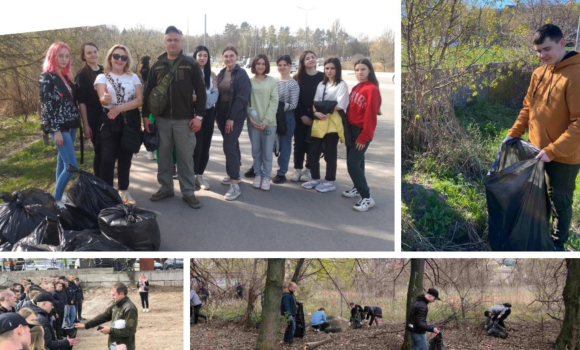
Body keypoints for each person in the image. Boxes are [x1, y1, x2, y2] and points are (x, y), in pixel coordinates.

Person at [505, 24, 580, 251]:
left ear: (561, 42)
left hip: (564, 157)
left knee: (560, 203)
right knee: (539, 201)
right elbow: (528, 108)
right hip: (534, 152)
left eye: (546, 49)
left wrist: (553, 150)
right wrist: (514, 133)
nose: (542, 56)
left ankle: (557, 244)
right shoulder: (539, 73)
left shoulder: (576, 75)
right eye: (538, 51)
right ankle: (539, 238)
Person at [142, 26, 207, 209]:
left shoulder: (190, 64)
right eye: (169, 40)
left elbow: (201, 92)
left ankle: (188, 192)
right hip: (161, 120)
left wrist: (199, 117)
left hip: (185, 121)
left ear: (182, 42)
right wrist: (146, 116)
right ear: (165, 42)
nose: (172, 43)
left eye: (176, 40)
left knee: (186, 158)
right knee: (163, 156)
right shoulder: (157, 65)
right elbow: (148, 93)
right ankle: (165, 188)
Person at [94, 44, 143, 206]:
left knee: (125, 158)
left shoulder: (133, 77)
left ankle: (124, 191)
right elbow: (102, 98)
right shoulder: (102, 77)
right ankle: (107, 193)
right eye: (116, 56)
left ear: (127, 60)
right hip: (109, 121)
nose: (119, 60)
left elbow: (139, 100)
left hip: (130, 121)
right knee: (107, 159)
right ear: (110, 58)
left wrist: (119, 108)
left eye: (123, 57)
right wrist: (105, 100)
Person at [39, 42, 81, 209]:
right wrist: (55, 130)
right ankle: (55, 200)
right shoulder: (46, 78)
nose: (64, 59)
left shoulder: (65, 77)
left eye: (67, 56)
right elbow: (47, 106)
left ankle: (59, 192)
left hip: (71, 125)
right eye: (60, 56)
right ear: (53, 57)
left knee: (62, 162)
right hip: (59, 127)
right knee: (71, 165)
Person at [302, 57, 349, 193]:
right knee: (313, 152)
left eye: (332, 68)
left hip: (333, 124)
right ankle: (315, 178)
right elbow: (315, 103)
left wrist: (323, 107)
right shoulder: (321, 85)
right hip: (319, 121)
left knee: (330, 153)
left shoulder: (342, 85)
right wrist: (316, 113)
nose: (329, 71)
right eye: (327, 68)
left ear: (337, 69)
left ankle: (330, 181)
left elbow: (340, 105)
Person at [344, 58, 382, 211]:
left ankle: (366, 197)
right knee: (358, 162)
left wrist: (364, 136)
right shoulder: (357, 87)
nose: (359, 72)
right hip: (352, 131)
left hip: (362, 132)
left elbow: (370, 116)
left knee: (352, 163)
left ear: (369, 71)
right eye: (357, 70)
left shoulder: (371, 89)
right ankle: (357, 187)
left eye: (363, 69)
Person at [215, 45, 251, 200]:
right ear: (222, 58)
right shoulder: (221, 73)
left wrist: (231, 117)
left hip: (234, 114)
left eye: (231, 56)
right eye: (226, 56)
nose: (228, 58)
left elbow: (241, 98)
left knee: (228, 145)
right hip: (221, 113)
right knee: (232, 142)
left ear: (237, 57)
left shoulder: (241, 74)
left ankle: (234, 184)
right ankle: (234, 173)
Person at [290, 50, 323, 182]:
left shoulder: (323, 77)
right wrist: (302, 116)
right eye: (307, 58)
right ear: (302, 62)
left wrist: (316, 115)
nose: (310, 60)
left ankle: (308, 170)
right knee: (299, 143)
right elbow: (295, 99)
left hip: (317, 117)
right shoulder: (297, 78)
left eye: (313, 57)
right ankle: (297, 169)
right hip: (300, 116)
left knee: (313, 145)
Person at [248, 54, 279, 191]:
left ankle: (266, 176)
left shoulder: (272, 81)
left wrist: (266, 121)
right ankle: (258, 174)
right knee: (256, 151)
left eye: (263, 64)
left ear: (266, 66)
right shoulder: (249, 81)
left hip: (269, 123)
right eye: (258, 63)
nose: (260, 66)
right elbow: (246, 102)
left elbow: (274, 102)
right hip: (253, 123)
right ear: (254, 65)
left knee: (267, 151)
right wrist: (250, 117)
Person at [75, 282, 138, 350]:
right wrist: (86, 325)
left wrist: (110, 330)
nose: (112, 297)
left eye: (114, 295)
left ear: (122, 294)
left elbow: (130, 331)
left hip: (124, 347)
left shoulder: (129, 309)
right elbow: (104, 316)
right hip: (114, 345)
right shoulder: (116, 305)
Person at [74, 42, 104, 177]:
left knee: (109, 152)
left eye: (94, 51)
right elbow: (82, 102)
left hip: (109, 117)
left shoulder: (105, 70)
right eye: (89, 53)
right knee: (100, 151)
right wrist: (86, 125)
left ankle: (107, 181)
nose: (93, 55)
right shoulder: (82, 75)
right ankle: (99, 181)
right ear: (84, 56)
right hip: (93, 118)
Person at [193, 45, 219, 190]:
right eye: (200, 55)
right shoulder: (191, 73)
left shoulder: (212, 75)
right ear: (195, 56)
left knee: (205, 145)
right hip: (194, 113)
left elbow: (216, 95)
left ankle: (199, 174)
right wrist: (204, 99)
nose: (202, 58)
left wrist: (201, 99)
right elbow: (190, 97)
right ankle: (191, 174)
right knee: (195, 145)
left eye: (205, 55)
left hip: (209, 113)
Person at [272, 54, 299, 184]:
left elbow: (293, 105)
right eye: (280, 65)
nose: (282, 67)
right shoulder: (274, 81)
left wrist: (277, 106)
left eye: (285, 65)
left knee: (284, 146)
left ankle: (282, 172)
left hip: (286, 118)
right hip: (272, 116)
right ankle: (258, 169)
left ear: (290, 66)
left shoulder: (293, 84)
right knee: (269, 144)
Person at [138, 55, 156, 161]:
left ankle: (152, 151)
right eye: (150, 59)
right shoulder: (146, 70)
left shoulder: (145, 70)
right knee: (150, 125)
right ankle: (150, 150)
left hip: (150, 94)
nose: (151, 60)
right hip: (149, 94)